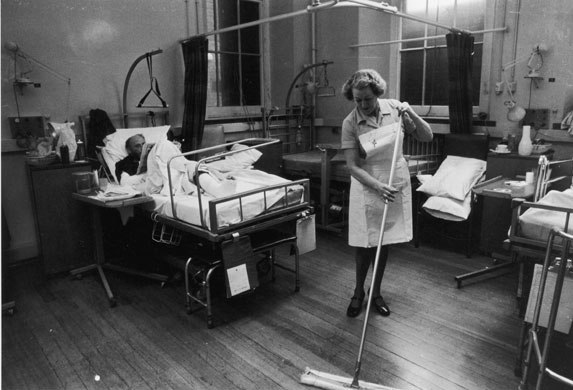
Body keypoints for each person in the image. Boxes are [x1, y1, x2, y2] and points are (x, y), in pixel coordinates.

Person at [340, 69, 433, 318]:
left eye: (367, 99)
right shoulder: (350, 123)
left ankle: (376, 292)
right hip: (367, 182)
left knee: (384, 241)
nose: (362, 105)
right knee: (364, 243)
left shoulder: (395, 109)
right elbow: (352, 166)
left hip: (393, 180)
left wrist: (410, 111)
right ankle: (358, 293)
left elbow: (427, 136)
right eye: (357, 100)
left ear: (377, 94)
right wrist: (376, 186)